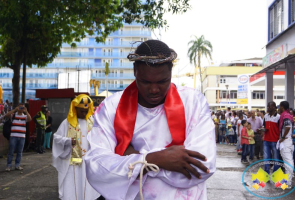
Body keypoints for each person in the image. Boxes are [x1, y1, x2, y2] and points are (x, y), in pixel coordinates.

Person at [84, 40, 216, 200]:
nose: (154, 90)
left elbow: (202, 167)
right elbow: (97, 167)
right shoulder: (111, 107)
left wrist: (132, 159)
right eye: (145, 82)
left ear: (171, 73)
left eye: (162, 81)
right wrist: (156, 159)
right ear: (135, 72)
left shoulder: (193, 102)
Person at [52, 94, 100, 200]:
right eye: (81, 110)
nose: (84, 113)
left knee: (88, 189)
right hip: (73, 163)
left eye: (86, 110)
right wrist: (68, 141)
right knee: (72, 188)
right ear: (75, 109)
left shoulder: (92, 122)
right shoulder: (67, 123)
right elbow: (56, 137)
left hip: (89, 162)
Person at [5, 103, 32, 171]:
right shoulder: (13, 115)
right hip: (13, 136)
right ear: (17, 107)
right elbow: (7, 115)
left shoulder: (24, 116)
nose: (21, 109)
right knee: (11, 151)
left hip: (22, 137)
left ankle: (17, 165)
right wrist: (14, 110)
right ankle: (9, 165)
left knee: (19, 152)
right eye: (20, 107)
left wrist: (26, 112)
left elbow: (30, 119)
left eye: (22, 108)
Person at [279, 101, 294, 187]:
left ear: (282, 107)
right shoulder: (287, 114)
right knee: (287, 162)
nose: (279, 108)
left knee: (288, 162)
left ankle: (288, 182)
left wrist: (283, 137)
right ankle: (287, 180)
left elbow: (287, 127)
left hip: (286, 141)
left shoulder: (285, 115)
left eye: (280, 107)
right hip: (288, 141)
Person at [263, 101, 281, 175]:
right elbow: (264, 126)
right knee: (266, 159)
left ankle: (274, 174)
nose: (268, 108)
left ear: (274, 107)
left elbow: (280, 129)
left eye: (269, 106)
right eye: (267, 106)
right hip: (266, 140)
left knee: (276, 159)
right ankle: (266, 175)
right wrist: (262, 130)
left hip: (275, 141)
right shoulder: (265, 116)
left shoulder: (278, 117)